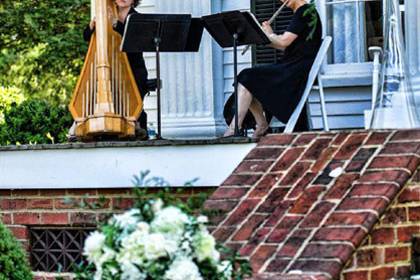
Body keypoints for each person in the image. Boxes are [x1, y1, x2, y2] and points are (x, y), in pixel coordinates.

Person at [223, 0, 322, 138]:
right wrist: (268, 35)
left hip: (295, 70)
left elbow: (283, 41)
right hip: (293, 66)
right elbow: (284, 46)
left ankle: (237, 128)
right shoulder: (307, 12)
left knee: (246, 77)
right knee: (248, 78)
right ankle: (260, 124)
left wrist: (265, 35)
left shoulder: (304, 13)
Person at [83, 0, 149, 138]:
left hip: (133, 70)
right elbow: (87, 37)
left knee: (132, 105)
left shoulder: (138, 19)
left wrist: (116, 25)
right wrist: (91, 27)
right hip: (111, 69)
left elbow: (134, 45)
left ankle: (135, 128)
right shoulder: (105, 14)